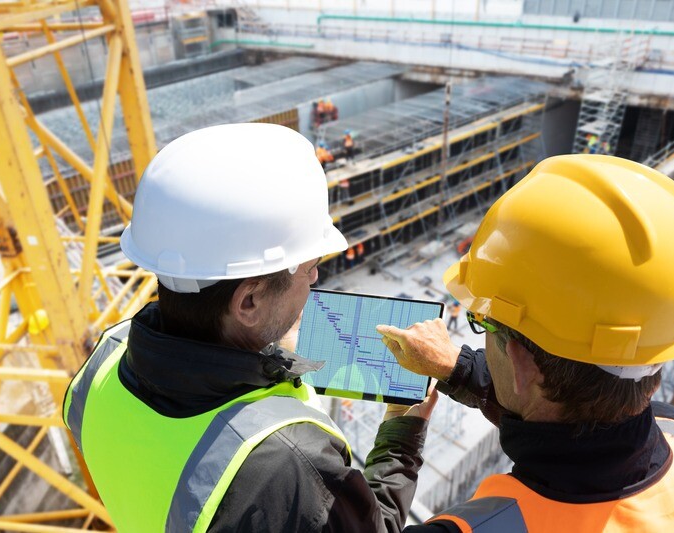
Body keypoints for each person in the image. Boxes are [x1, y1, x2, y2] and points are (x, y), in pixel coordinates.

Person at [63, 124, 436, 532]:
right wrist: (403, 426)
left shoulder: (101, 363)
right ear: (249, 302)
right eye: (310, 268)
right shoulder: (293, 465)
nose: (314, 280)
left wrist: (265, 353)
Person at [377, 155, 674, 531]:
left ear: (522, 365)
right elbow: (563, 413)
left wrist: (399, 436)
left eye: (482, 324)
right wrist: (456, 367)